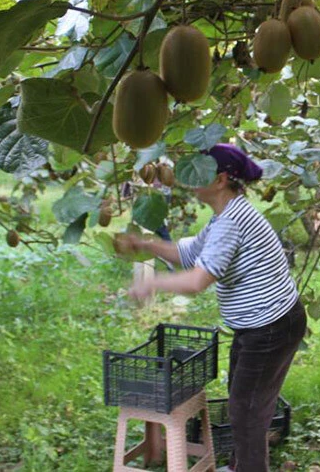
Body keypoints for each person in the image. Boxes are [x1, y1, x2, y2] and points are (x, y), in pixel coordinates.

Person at [126, 143, 306, 472]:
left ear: (221, 179)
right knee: (248, 405)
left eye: (200, 170)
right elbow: (190, 253)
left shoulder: (231, 222)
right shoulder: (226, 214)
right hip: (263, 325)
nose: (191, 176)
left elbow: (197, 280)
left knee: (246, 410)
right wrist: (147, 244)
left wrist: (151, 284)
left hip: (269, 327)